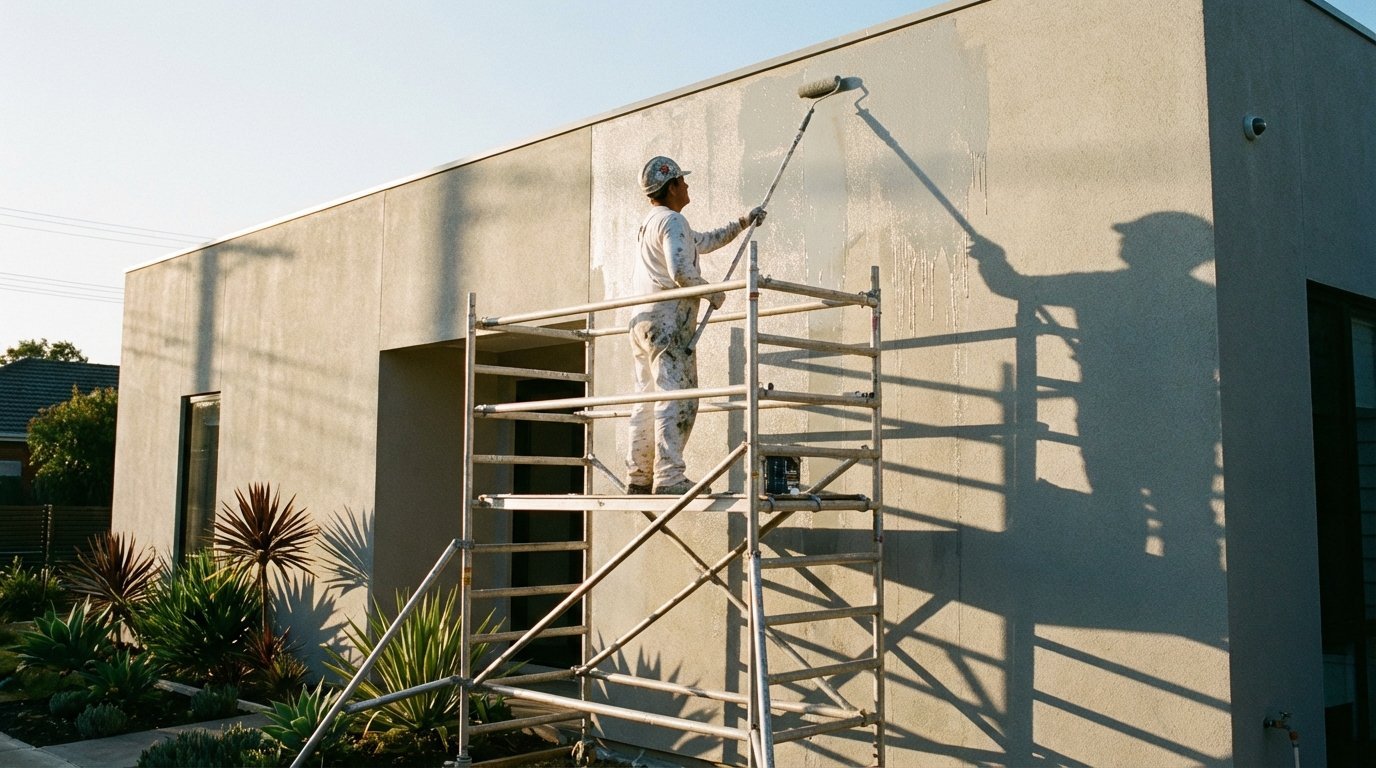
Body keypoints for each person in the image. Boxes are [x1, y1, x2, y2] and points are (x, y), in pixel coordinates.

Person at [625, 155, 764, 495]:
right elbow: (680, 271)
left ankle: (639, 477)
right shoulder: (672, 221)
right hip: (667, 323)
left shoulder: (652, 223)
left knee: (647, 397)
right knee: (679, 398)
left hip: (642, 322)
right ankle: (670, 478)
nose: (687, 186)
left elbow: (704, 241)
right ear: (670, 187)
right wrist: (711, 292)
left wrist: (743, 221)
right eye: (682, 181)